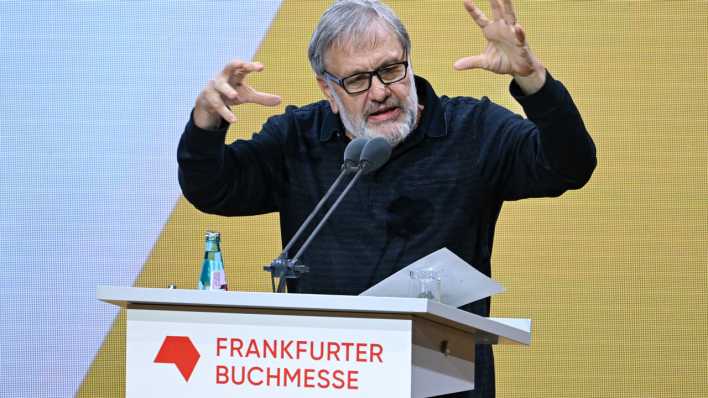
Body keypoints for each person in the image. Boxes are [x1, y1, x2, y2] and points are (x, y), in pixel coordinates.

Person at [177, 0, 597, 396]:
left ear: (409, 63)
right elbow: (213, 188)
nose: (380, 92)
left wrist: (533, 80)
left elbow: (570, 165)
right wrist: (206, 121)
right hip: (326, 381)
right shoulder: (297, 139)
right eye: (357, 80)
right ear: (327, 89)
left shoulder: (472, 130)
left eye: (392, 70)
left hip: (444, 385)